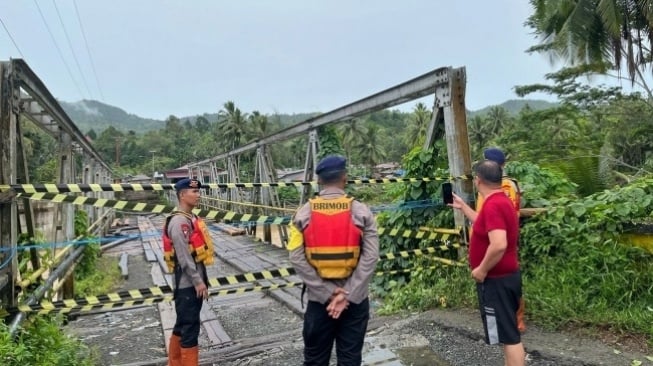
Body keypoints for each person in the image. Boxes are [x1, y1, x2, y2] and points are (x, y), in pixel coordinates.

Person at [288, 155, 379, 366]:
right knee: (349, 359)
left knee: (315, 360)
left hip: (319, 303)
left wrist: (327, 293)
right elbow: (371, 256)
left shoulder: (302, 214)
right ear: (345, 177)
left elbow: (296, 257)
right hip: (355, 303)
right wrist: (348, 295)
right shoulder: (363, 212)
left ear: (319, 180)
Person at [450, 160, 526, 366]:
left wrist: (482, 270)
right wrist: (463, 207)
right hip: (507, 276)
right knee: (508, 332)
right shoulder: (500, 200)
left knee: (510, 337)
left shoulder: (493, 205)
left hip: (497, 280)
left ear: (478, 180)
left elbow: (499, 244)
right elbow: (484, 224)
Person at [162, 178, 214, 366]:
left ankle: (174, 363)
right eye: (194, 192)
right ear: (182, 195)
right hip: (187, 285)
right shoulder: (179, 222)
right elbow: (184, 256)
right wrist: (198, 281)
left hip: (189, 283)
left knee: (183, 324)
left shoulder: (189, 218)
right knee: (190, 329)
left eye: (198, 192)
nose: (198, 195)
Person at [479, 147, 526, 333]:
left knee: (495, 281)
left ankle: (504, 323)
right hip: (512, 236)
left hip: (495, 237)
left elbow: (485, 216)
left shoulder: (492, 189)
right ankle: (518, 320)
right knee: (513, 279)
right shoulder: (512, 185)